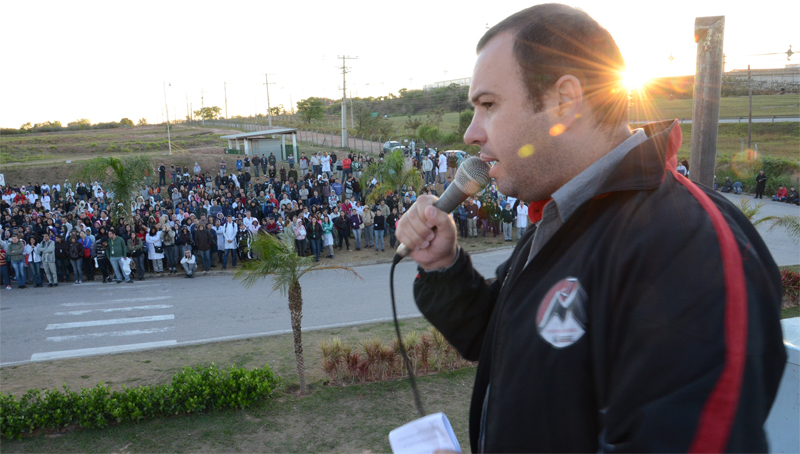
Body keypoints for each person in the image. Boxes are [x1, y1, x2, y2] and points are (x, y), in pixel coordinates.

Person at [395, 5, 785, 452]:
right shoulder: (564, 213)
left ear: (565, 99)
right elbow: (507, 338)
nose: (470, 133)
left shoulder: (688, 244)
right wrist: (444, 265)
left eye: (488, 105)